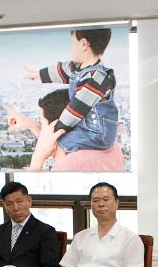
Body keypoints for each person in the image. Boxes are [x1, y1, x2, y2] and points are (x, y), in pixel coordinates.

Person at [9, 28, 122, 171]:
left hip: (98, 132)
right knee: (59, 140)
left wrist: (40, 154)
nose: (71, 48)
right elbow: (61, 70)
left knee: (61, 142)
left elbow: (75, 111)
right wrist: (37, 74)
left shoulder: (96, 78)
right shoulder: (79, 69)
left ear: (83, 44)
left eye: (72, 43)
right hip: (91, 129)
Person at [60, 182, 145, 267]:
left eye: (106, 199)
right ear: (90, 204)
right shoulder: (80, 237)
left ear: (117, 203)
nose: (101, 204)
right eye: (96, 200)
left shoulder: (130, 239)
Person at [0, 181, 61, 267]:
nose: (16, 208)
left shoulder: (46, 232)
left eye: (19, 201)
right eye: (10, 203)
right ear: (4, 205)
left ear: (29, 201)